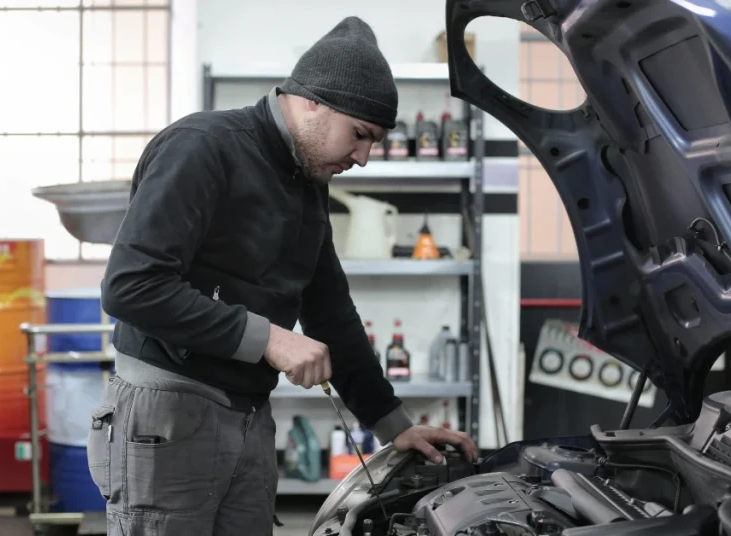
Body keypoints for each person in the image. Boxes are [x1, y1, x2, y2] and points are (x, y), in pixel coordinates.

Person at [89, 15, 480, 536]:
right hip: (168, 418)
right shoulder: (203, 147)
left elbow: (332, 312)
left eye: (375, 142)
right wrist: (270, 339)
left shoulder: (305, 178)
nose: (363, 158)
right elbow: (130, 286)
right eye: (360, 135)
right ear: (312, 101)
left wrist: (395, 427)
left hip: (248, 415)